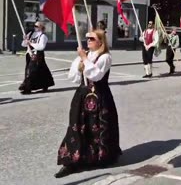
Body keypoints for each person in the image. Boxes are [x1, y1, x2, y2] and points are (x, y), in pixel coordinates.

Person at [55, 30, 121, 178]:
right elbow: (73, 77)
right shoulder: (86, 55)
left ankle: (99, 157)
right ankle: (70, 161)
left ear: (100, 42)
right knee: (77, 126)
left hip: (100, 96)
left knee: (99, 127)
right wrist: (80, 61)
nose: (88, 40)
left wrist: (84, 58)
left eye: (92, 38)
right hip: (83, 95)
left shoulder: (105, 57)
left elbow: (96, 75)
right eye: (87, 38)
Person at [19, 21, 55, 95]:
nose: (35, 27)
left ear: (41, 27)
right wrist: (25, 40)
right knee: (40, 69)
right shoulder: (31, 34)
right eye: (35, 26)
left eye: (37, 26)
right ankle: (45, 84)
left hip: (37, 55)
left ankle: (27, 88)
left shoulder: (43, 36)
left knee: (31, 71)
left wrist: (30, 43)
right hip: (29, 54)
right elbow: (23, 44)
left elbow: (41, 47)